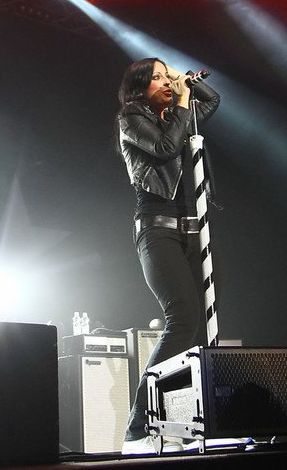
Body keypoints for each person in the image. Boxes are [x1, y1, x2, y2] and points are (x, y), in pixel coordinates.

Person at [116, 58, 220, 455]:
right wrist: (178, 99)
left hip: (194, 231)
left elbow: (212, 101)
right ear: (139, 88)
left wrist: (183, 82)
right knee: (183, 319)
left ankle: (188, 425)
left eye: (167, 75)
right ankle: (137, 430)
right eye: (157, 77)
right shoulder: (131, 118)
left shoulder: (180, 114)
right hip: (157, 229)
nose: (166, 82)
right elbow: (164, 148)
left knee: (201, 326)